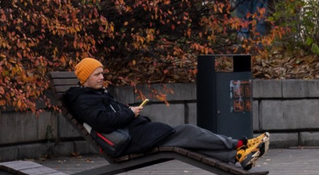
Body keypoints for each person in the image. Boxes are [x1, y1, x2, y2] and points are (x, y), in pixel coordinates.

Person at [59, 59, 268, 165]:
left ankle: (237, 155)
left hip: (138, 134)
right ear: (85, 78)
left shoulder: (95, 94)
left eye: (102, 73)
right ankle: (240, 144)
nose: (102, 77)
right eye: (97, 75)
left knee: (188, 139)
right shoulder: (83, 99)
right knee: (189, 132)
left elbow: (108, 115)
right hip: (132, 140)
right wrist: (130, 113)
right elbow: (102, 121)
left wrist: (130, 111)